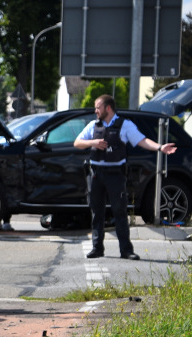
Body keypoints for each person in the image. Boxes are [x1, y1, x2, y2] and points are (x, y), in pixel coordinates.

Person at [72, 94, 177, 260]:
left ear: (108, 108)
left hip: (115, 174)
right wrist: (93, 143)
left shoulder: (125, 125)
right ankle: (97, 248)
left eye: (98, 107)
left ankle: (126, 250)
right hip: (96, 174)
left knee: (119, 212)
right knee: (97, 213)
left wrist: (160, 147)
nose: (95, 110)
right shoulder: (93, 125)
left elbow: (142, 141)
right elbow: (77, 142)